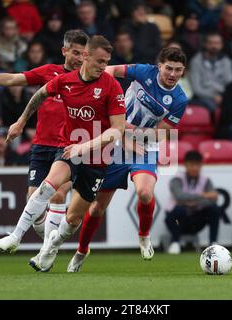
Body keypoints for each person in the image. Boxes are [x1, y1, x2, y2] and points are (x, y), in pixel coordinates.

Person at [4, 35, 126, 272]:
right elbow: (39, 94)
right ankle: (16, 237)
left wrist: (86, 146)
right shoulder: (65, 80)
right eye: (100, 61)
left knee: (71, 221)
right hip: (69, 149)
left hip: (97, 159)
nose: (103, 66)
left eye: (107, 61)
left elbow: (118, 129)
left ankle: (51, 248)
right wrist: (20, 121)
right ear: (86, 56)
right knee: (48, 186)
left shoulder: (112, 86)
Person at [0, 29, 89, 244]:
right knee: (33, 201)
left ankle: (46, 251)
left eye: (84, 54)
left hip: (68, 146)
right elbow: (12, 79)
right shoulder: (49, 72)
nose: (80, 58)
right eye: (75, 53)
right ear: (64, 51)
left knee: (57, 193)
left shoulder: (89, 80)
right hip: (41, 145)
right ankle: (53, 238)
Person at [67, 46, 188, 272]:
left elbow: (160, 133)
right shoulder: (143, 72)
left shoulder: (180, 99)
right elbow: (109, 71)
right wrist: (106, 98)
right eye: (169, 68)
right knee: (96, 209)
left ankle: (143, 235)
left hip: (145, 147)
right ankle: (81, 251)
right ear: (159, 66)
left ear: (183, 71)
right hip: (115, 144)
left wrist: (125, 128)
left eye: (178, 70)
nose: (172, 74)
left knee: (144, 193)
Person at [165, 151, 220, 254]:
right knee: (179, 209)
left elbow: (213, 198)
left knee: (214, 209)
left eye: (197, 165)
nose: (195, 168)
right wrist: (203, 195)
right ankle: (175, 242)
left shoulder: (206, 180)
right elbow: (180, 197)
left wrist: (192, 202)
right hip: (177, 220)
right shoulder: (177, 179)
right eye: (192, 165)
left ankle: (213, 243)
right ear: (185, 165)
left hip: (196, 219)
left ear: (201, 165)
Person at [189, 32, 232, 112]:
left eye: (217, 43)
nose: (214, 46)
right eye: (211, 43)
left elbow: (230, 84)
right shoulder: (196, 61)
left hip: (223, 96)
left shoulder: (226, 61)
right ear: (205, 44)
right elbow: (196, 89)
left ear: (221, 45)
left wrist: (223, 97)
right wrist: (213, 96)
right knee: (213, 107)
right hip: (203, 97)